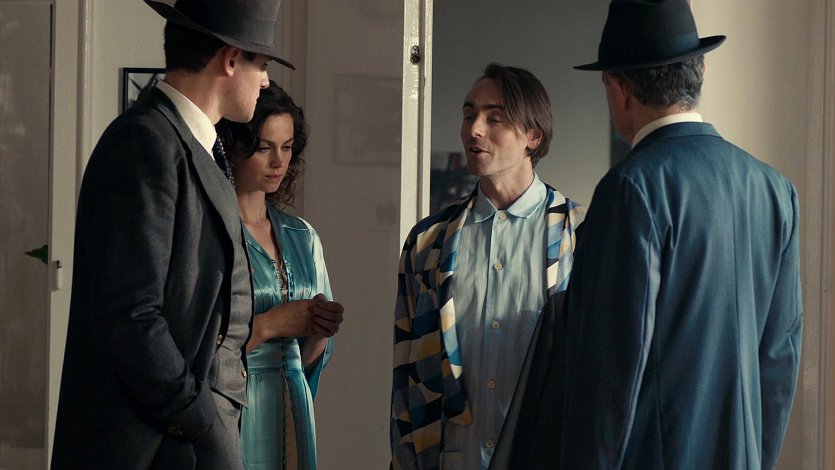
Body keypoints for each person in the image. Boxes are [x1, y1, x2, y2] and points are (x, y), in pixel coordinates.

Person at [558, 1, 803, 468]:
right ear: (701, 71)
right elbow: (779, 361)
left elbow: (609, 378)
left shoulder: (631, 189)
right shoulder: (775, 190)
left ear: (619, 88)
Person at [51, 1, 292, 468]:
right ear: (230, 59)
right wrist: (200, 419)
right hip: (155, 445)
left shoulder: (194, 141)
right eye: (261, 64)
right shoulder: (145, 142)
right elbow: (131, 317)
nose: (265, 81)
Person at [390, 63, 586, 470]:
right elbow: (408, 375)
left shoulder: (581, 234)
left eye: (494, 118)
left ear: (534, 136)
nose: (474, 130)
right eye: (468, 115)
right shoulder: (428, 242)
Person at [216, 81, 344, 470]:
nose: (279, 162)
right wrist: (271, 324)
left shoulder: (303, 236)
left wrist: (320, 328)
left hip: (293, 404)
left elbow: (308, 358)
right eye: (264, 148)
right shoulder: (213, 235)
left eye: (287, 147)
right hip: (235, 407)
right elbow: (198, 351)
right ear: (235, 147)